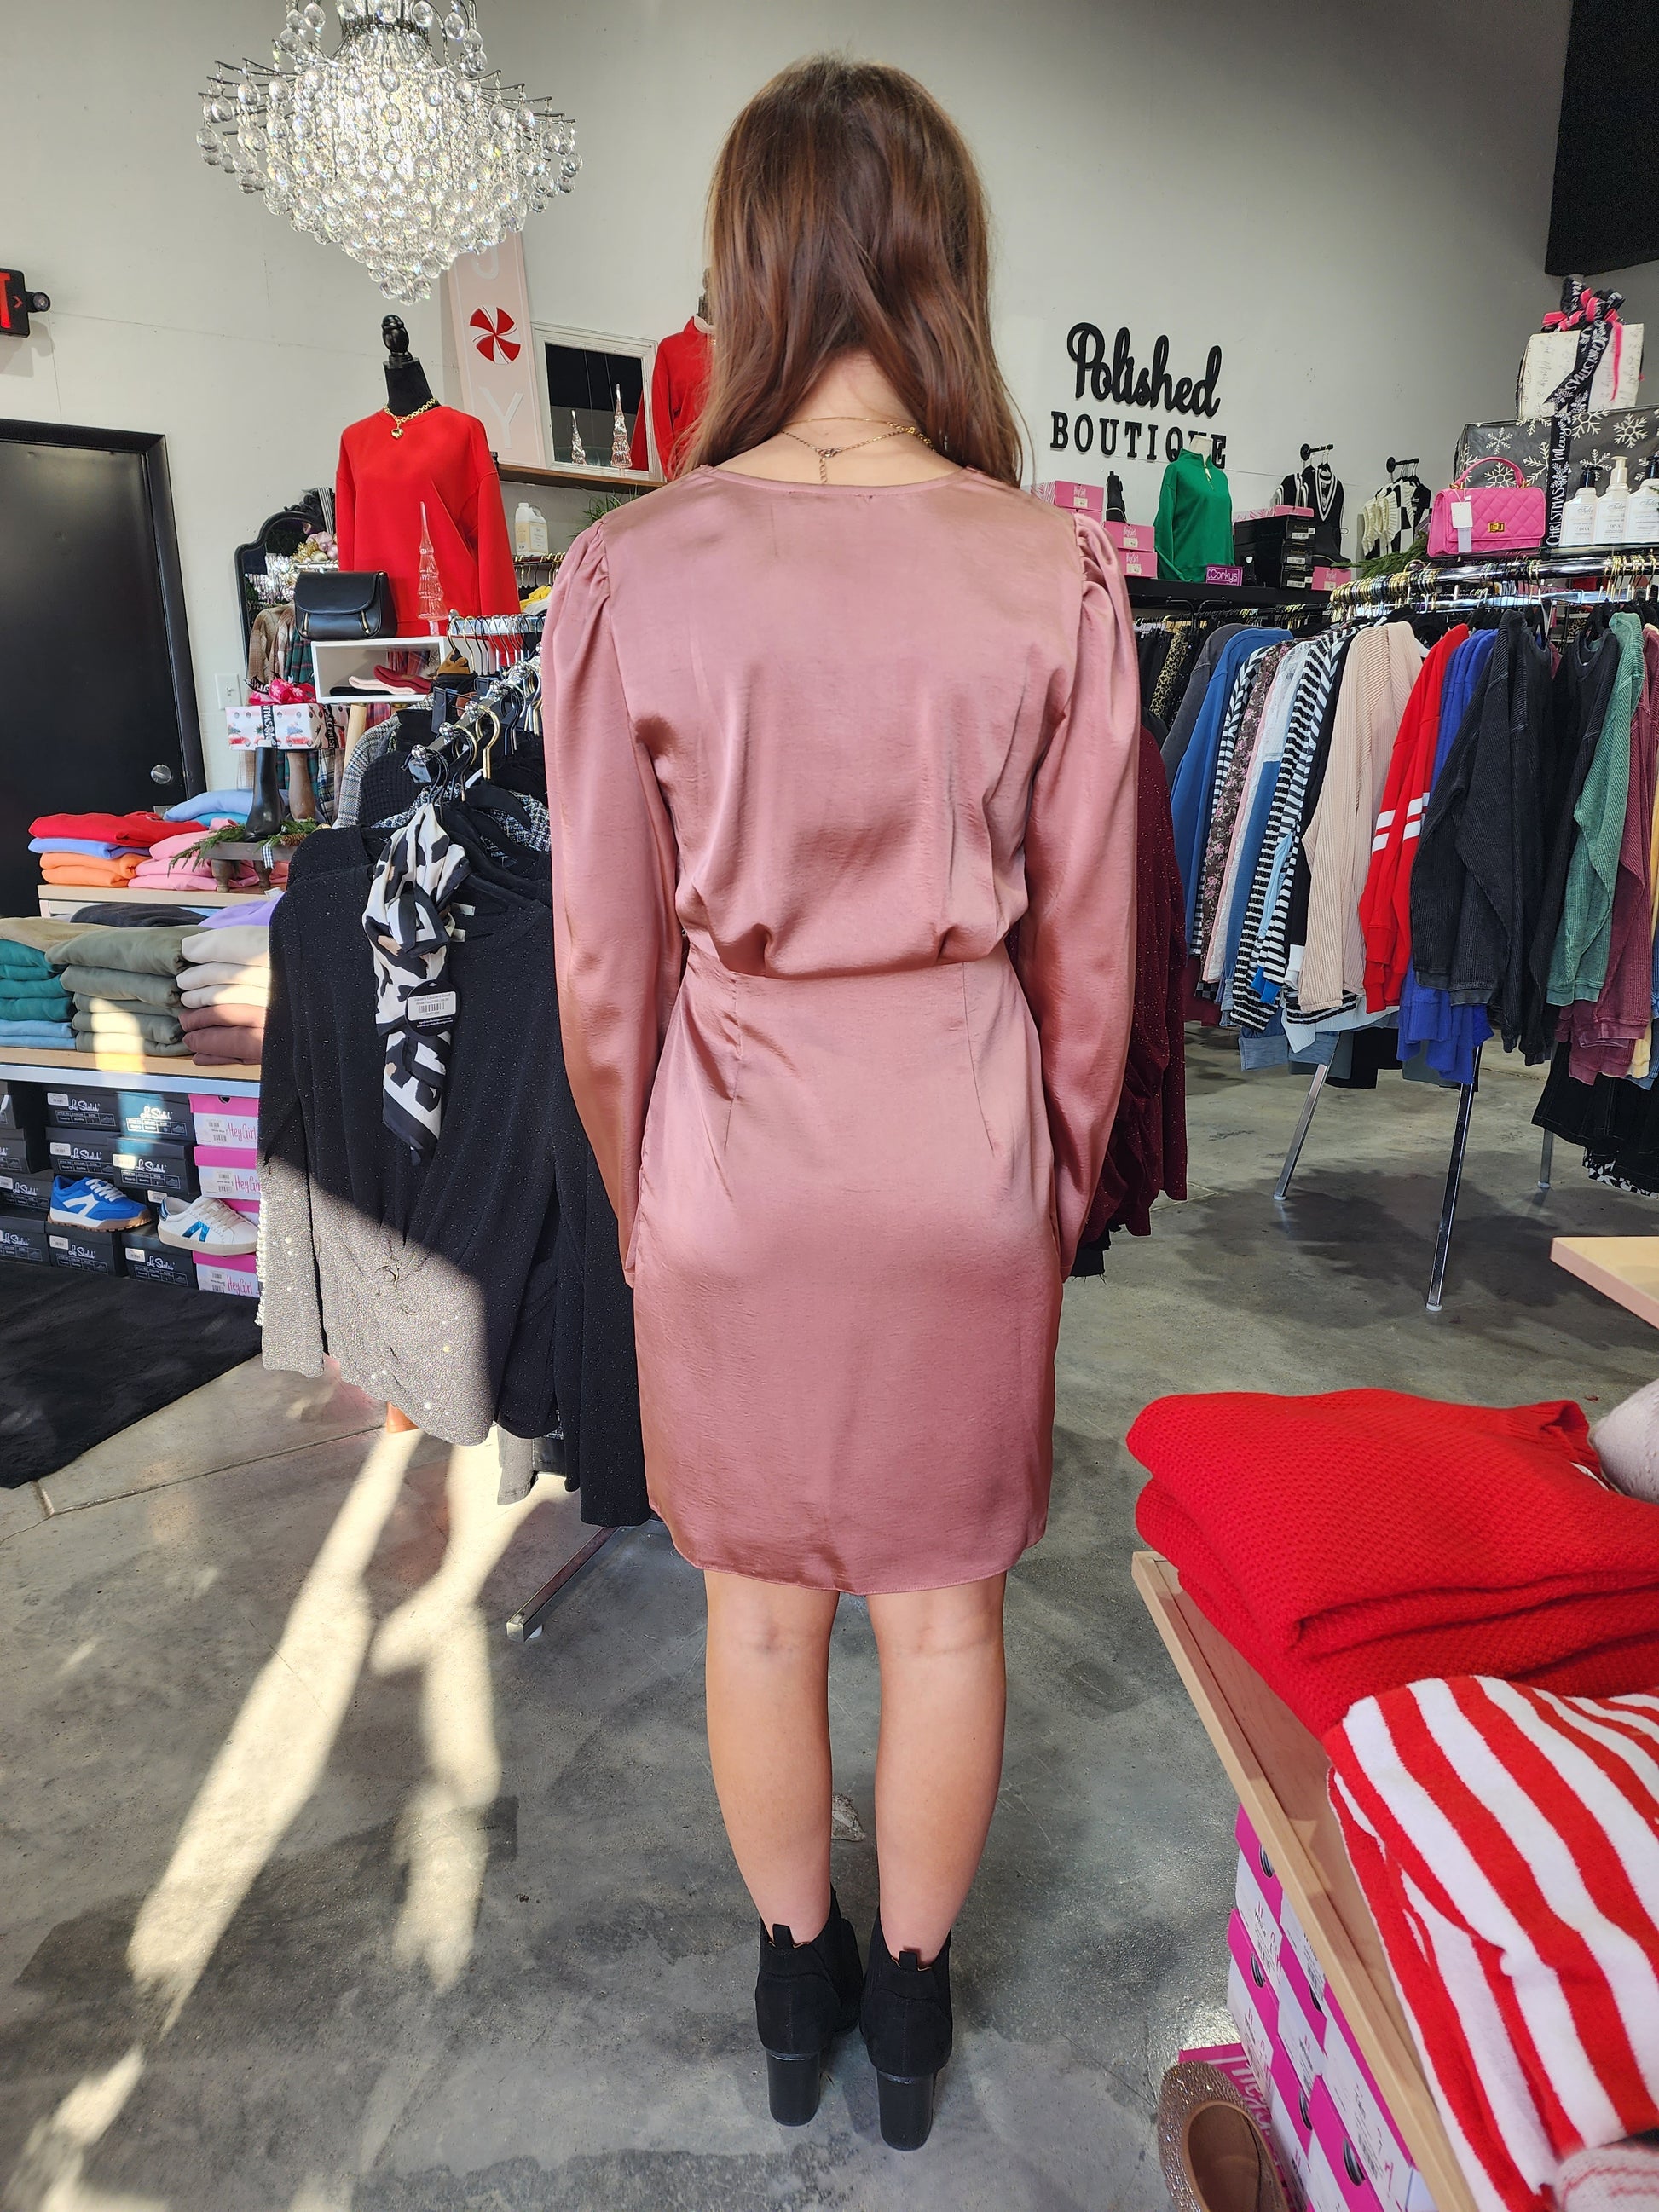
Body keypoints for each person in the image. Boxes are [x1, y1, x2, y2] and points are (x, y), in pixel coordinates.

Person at [542, 53, 1138, 2151]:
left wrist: (653, 1200)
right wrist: (1041, 1189)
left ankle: (791, 1975)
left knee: (757, 1606)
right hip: (961, 1152)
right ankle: (907, 2007)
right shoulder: (1051, 568)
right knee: (946, 1615)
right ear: (942, 260)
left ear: (750, 267)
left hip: (729, 1156)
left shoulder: (633, 568)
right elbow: (1092, 964)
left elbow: (605, 971)